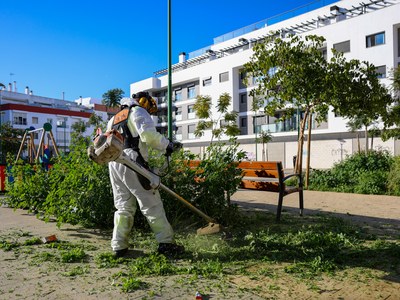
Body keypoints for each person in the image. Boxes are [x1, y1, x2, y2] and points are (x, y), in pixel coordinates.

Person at [106, 91, 184, 258]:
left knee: (123, 207)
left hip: (114, 162)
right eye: (149, 105)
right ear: (142, 101)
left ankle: (118, 246)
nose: (149, 109)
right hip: (132, 161)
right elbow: (148, 136)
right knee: (151, 203)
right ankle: (166, 243)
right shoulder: (137, 111)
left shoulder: (113, 119)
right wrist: (168, 145)